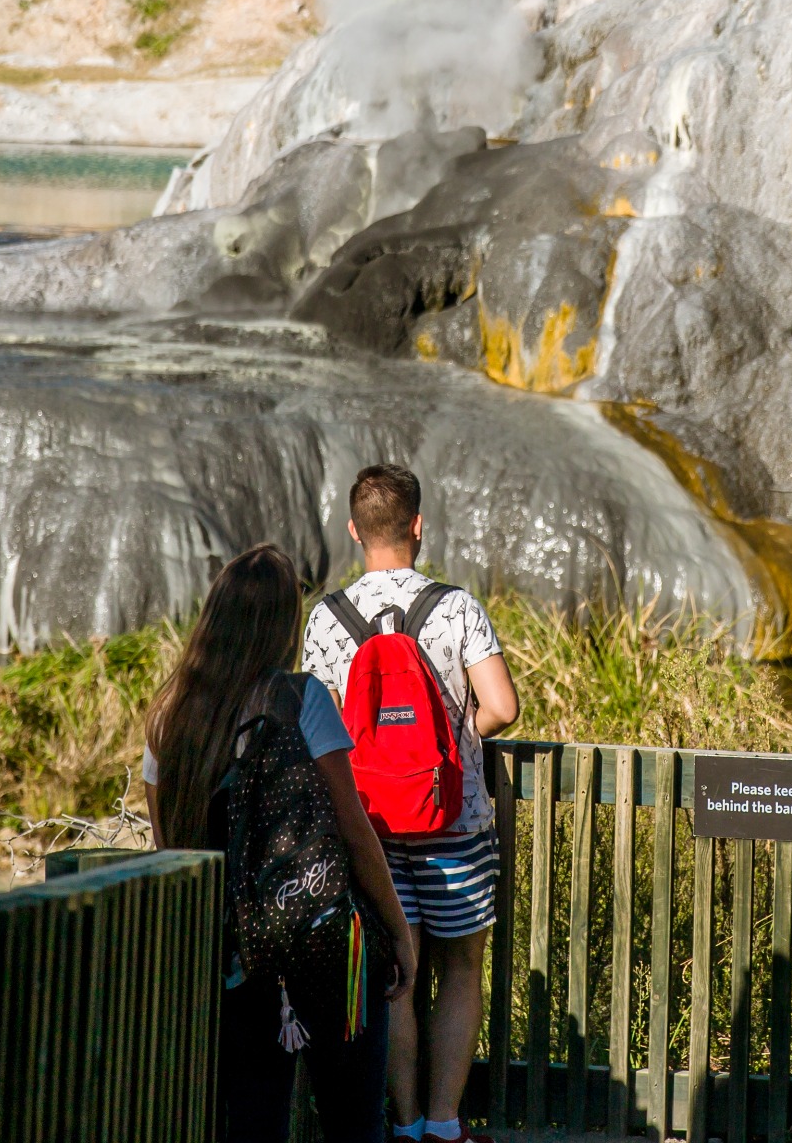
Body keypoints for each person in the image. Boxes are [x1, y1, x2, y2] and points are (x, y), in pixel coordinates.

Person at [146, 544, 415, 1143]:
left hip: (230, 960)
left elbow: (169, 848)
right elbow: (352, 827)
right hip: (323, 946)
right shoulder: (301, 699)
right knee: (353, 1122)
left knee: (250, 1121)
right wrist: (396, 930)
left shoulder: (169, 716)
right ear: (281, 625)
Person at [304, 466, 522, 1143]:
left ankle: (399, 1127)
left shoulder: (327, 619)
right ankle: (445, 1127)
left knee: (396, 975)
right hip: (454, 826)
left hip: (369, 828)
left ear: (353, 532)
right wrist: (450, 753)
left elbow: (318, 731)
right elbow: (503, 708)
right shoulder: (457, 609)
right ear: (418, 527)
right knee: (459, 969)